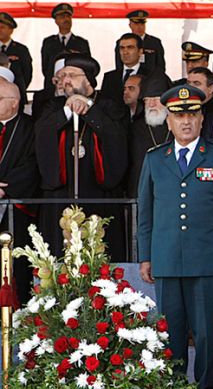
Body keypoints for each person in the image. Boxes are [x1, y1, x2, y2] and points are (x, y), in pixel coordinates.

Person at [137, 84, 213, 389]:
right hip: (167, 259)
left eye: (192, 115)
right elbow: (145, 212)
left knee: (206, 332)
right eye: (179, 115)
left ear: (202, 119)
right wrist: (145, 256)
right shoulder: (155, 159)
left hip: (208, 260)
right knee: (171, 333)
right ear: (168, 121)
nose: (186, 121)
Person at [34, 53, 128, 260]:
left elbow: (117, 138)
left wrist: (89, 108)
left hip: (99, 195)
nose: (65, 80)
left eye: (72, 75)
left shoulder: (109, 105)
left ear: (89, 79)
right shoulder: (54, 106)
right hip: (60, 196)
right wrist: (67, 111)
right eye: (62, 76)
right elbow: (41, 133)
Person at [0, 78, 39, 301]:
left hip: (15, 207)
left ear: (14, 102)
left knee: (16, 263)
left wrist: (6, 188)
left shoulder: (30, 127)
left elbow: (32, 164)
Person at [127, 75, 170, 197]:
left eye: (156, 99)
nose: (151, 105)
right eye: (147, 100)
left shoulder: (178, 126)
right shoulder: (134, 129)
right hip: (141, 191)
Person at [41, 3, 90, 92]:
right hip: (53, 87)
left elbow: (87, 66)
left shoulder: (81, 43)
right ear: (56, 21)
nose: (66, 19)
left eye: (68, 16)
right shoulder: (48, 42)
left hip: (75, 88)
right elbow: (45, 68)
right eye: (62, 17)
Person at [101, 33, 156, 104]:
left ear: (140, 51)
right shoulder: (109, 77)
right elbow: (103, 104)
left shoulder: (150, 76)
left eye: (130, 47)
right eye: (122, 48)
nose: (125, 52)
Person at [114, 10, 165, 74]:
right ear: (130, 25)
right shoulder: (122, 42)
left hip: (150, 78)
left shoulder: (155, 42)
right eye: (136, 24)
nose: (140, 27)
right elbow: (119, 65)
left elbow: (160, 66)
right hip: (130, 77)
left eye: (142, 24)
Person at [0, 13, 32, 105]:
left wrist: (18, 88)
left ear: (11, 30)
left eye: (2, 27)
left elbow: (27, 73)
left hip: (17, 96)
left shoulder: (21, 50)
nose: (0, 30)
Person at [187, 67, 213, 142]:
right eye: (188, 83)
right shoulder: (184, 109)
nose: (190, 88)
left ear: (210, 89)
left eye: (196, 83)